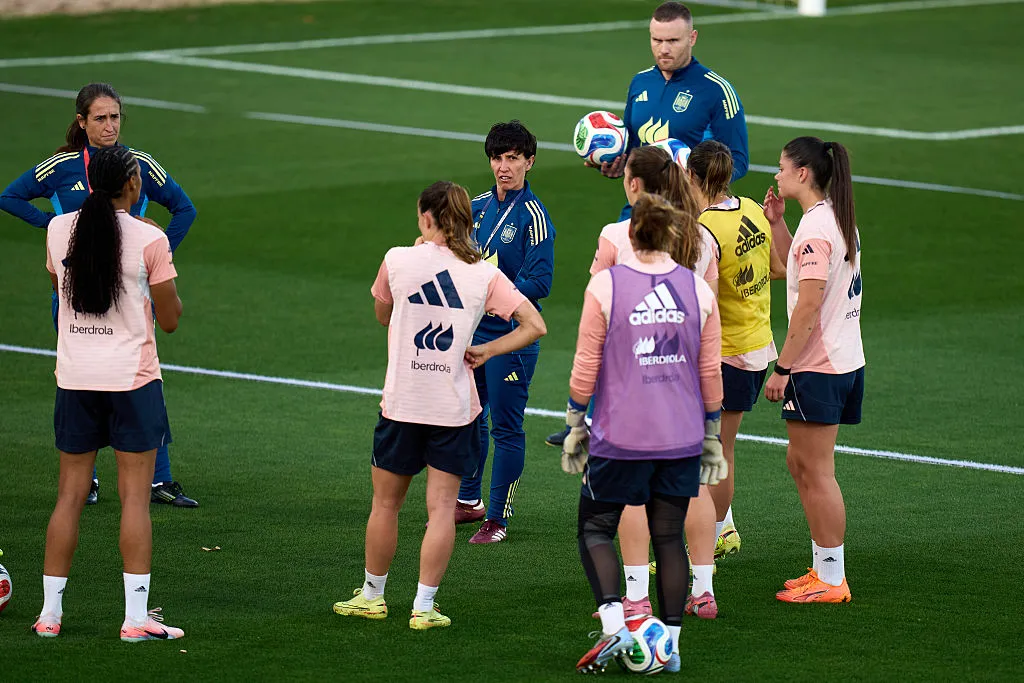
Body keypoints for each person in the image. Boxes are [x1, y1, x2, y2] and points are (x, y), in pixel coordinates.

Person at [333, 181, 546, 630]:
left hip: (402, 403)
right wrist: (488, 351)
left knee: (386, 505)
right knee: (441, 508)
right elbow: (535, 324)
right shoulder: (484, 273)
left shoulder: (398, 259)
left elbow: (382, 314)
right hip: (453, 408)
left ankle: (372, 596)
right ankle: (424, 608)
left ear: (426, 218)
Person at [0, 83, 198, 508]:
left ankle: (157, 480)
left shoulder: (136, 165)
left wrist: (159, 258)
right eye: (100, 118)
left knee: (145, 379)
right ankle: (85, 480)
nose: (110, 126)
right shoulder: (61, 167)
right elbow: (10, 196)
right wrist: (51, 224)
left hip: (129, 295)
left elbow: (185, 208)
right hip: (73, 298)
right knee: (79, 380)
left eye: (115, 117)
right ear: (82, 122)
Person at [561, 193, 725, 673]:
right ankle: (668, 647)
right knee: (668, 537)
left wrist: (575, 422)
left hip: (620, 435)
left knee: (594, 527)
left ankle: (616, 623)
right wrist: (711, 433)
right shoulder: (698, 292)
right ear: (675, 235)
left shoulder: (606, 287)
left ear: (632, 234)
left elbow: (586, 363)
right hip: (681, 435)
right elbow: (709, 371)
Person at [34, 145, 185, 641]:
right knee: (135, 500)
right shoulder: (151, 238)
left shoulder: (58, 230)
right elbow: (169, 319)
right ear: (134, 185)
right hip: (132, 383)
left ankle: (49, 617)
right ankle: (135, 619)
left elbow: (59, 284)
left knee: (69, 495)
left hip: (75, 380)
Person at [762, 137, 864, 603]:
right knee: (801, 463)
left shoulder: (820, 227)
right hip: (841, 360)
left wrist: (783, 367)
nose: (777, 174)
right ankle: (824, 568)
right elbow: (788, 269)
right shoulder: (826, 219)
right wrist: (778, 224)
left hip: (817, 366)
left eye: (782, 167)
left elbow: (807, 304)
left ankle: (831, 579)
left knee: (816, 470)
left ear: (803, 173)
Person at [686, 140, 787, 564]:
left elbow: (694, 301)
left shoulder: (704, 230)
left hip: (721, 354)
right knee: (723, 447)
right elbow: (780, 270)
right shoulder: (751, 209)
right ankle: (723, 530)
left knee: (702, 453)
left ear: (693, 177)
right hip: (756, 347)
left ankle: (703, 542)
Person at [454, 121, 555, 544]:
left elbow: (542, 280)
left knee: (506, 429)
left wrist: (490, 292)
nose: (504, 167)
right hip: (469, 335)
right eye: (498, 158)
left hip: (511, 339)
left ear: (529, 161)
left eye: (513, 158)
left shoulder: (534, 215)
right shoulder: (475, 207)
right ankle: (468, 500)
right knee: (467, 418)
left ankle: (497, 518)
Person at [592, 2, 749, 210]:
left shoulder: (717, 90)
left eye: (673, 41)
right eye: (657, 40)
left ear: (692, 38)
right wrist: (616, 164)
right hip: (639, 210)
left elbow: (738, 160)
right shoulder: (640, 82)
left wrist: (696, 184)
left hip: (687, 214)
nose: (664, 49)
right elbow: (632, 146)